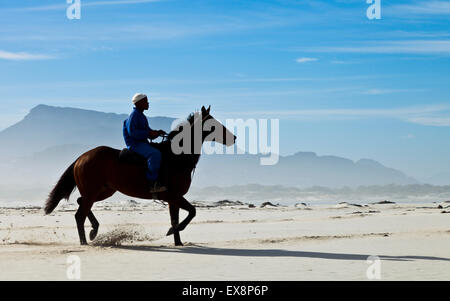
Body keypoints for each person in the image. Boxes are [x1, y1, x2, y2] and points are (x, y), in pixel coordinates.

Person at [123, 93, 167, 192]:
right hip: (134, 144)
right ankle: (152, 183)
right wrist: (149, 133)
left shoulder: (141, 115)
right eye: (145, 101)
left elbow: (147, 132)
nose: (148, 103)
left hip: (142, 143)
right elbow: (132, 133)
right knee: (155, 154)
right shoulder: (134, 115)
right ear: (139, 103)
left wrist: (157, 133)